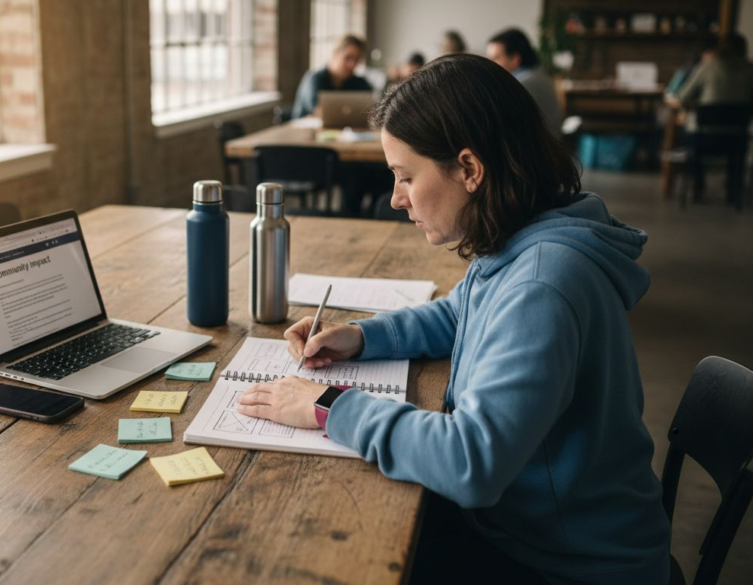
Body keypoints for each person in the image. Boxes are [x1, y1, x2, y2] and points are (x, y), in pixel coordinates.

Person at [237, 54, 670, 584]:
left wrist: (327, 405)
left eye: (405, 177)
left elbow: (472, 463)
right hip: (531, 526)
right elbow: (462, 311)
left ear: (469, 169)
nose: (396, 198)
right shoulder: (526, 232)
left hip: (566, 562)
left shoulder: (544, 283)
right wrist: (360, 336)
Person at [675, 33, 753, 203]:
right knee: (736, 146)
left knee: (689, 137)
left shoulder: (708, 66)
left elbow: (683, 96)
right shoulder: (750, 69)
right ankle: (734, 191)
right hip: (736, 138)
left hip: (704, 137)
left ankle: (698, 185)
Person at [486, 28, 563, 137]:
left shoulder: (521, 84)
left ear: (515, 58)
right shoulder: (538, 75)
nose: (490, 64)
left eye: (496, 58)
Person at [292, 34, 373, 119]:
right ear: (335, 54)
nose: (352, 64)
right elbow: (319, 111)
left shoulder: (359, 82)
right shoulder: (315, 79)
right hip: (305, 130)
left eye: (356, 60)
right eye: (348, 58)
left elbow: (371, 107)